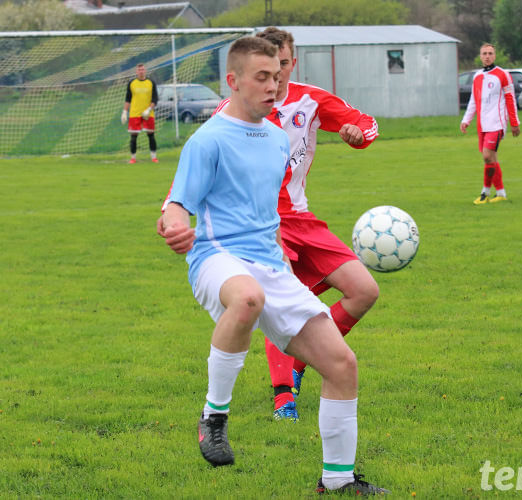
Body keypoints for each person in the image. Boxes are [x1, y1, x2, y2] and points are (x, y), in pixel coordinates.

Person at [159, 36, 388, 495]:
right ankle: (214, 416)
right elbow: (176, 203)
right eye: (262, 77)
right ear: (234, 81)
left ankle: (339, 481)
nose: (273, 85)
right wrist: (174, 225)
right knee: (247, 298)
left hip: (270, 264)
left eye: (277, 76)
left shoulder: (274, 140)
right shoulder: (208, 139)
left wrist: (280, 245)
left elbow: (266, 210)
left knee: (342, 365)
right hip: (216, 258)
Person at [460, 43, 520, 204]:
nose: (487, 56)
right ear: (480, 56)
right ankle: (501, 193)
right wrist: (466, 120)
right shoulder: (477, 76)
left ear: (495, 56)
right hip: (482, 125)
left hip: (497, 124)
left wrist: (514, 123)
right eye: (484, 53)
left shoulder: (503, 75)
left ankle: (485, 193)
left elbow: (510, 99)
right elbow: (474, 100)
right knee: (491, 158)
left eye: (490, 53)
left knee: (487, 156)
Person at [121, 63, 158, 164]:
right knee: (133, 136)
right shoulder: (132, 83)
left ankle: (154, 157)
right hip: (135, 113)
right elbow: (128, 99)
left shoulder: (151, 83)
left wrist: (149, 110)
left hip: (148, 114)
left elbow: (155, 99)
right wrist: (124, 112)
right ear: (136, 72)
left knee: (151, 134)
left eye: (142, 70)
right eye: (139, 70)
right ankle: (133, 158)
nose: (141, 71)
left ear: (145, 71)